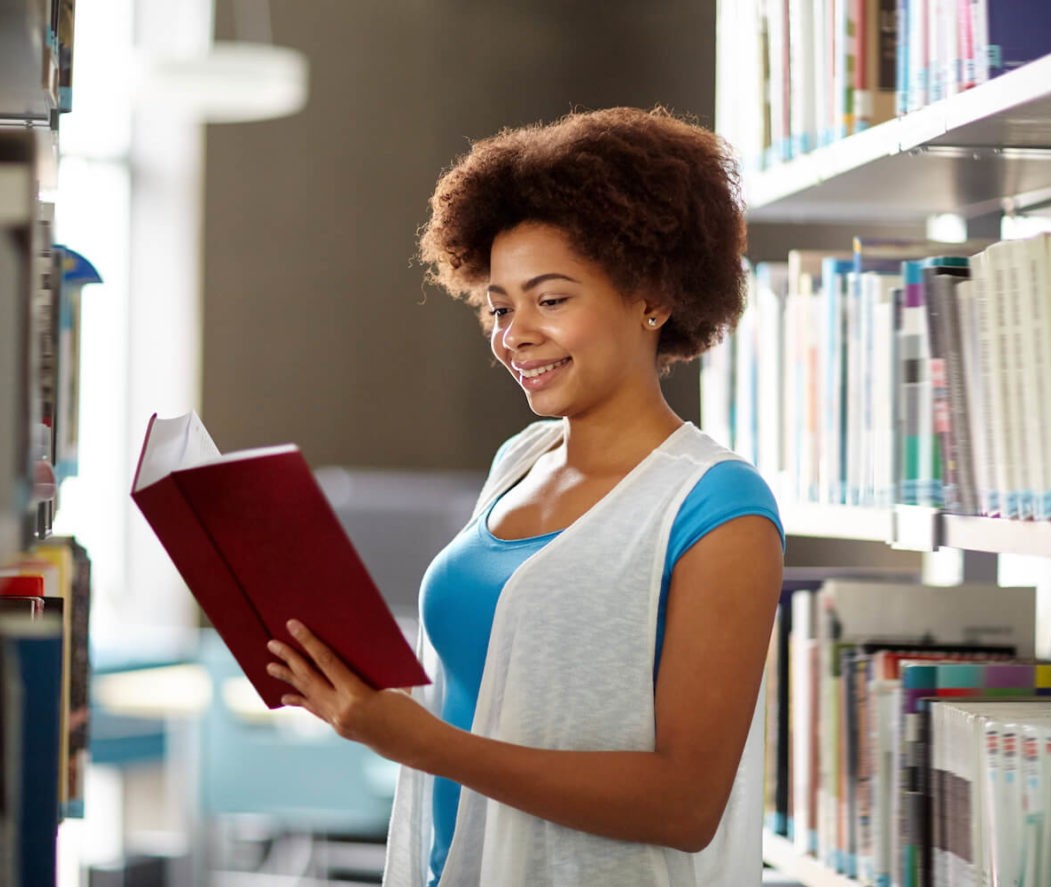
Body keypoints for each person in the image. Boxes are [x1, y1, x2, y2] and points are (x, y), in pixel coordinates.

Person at [264, 106, 785, 886]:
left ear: (652, 295)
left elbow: (684, 804)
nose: (515, 336)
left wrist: (416, 741)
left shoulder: (717, 508)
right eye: (501, 306)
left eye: (551, 299)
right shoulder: (520, 460)